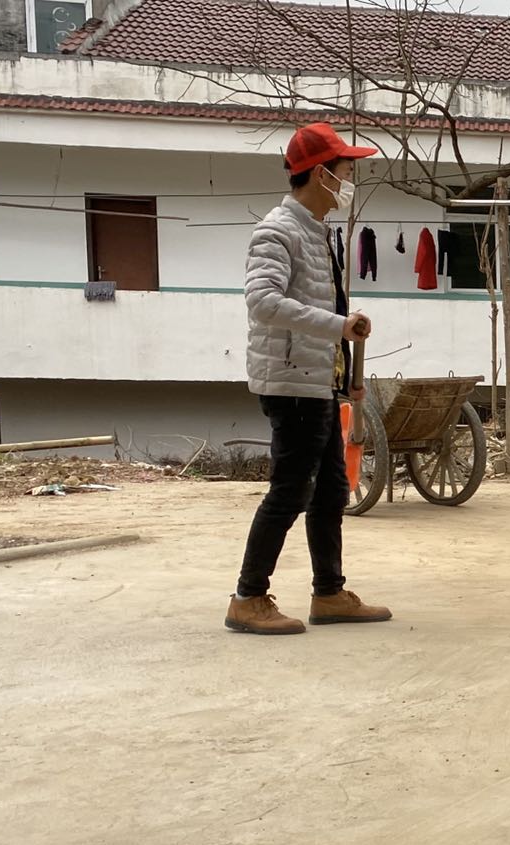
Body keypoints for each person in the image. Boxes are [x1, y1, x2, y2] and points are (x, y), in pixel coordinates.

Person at [225, 122, 392, 635]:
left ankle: (330, 593)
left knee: (330, 492)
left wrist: (344, 374)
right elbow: (264, 302)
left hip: (315, 380)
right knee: (291, 490)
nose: (350, 180)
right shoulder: (277, 230)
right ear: (320, 174)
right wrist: (340, 327)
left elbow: (320, 306)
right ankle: (248, 598)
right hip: (288, 382)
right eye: (346, 171)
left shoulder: (316, 231)